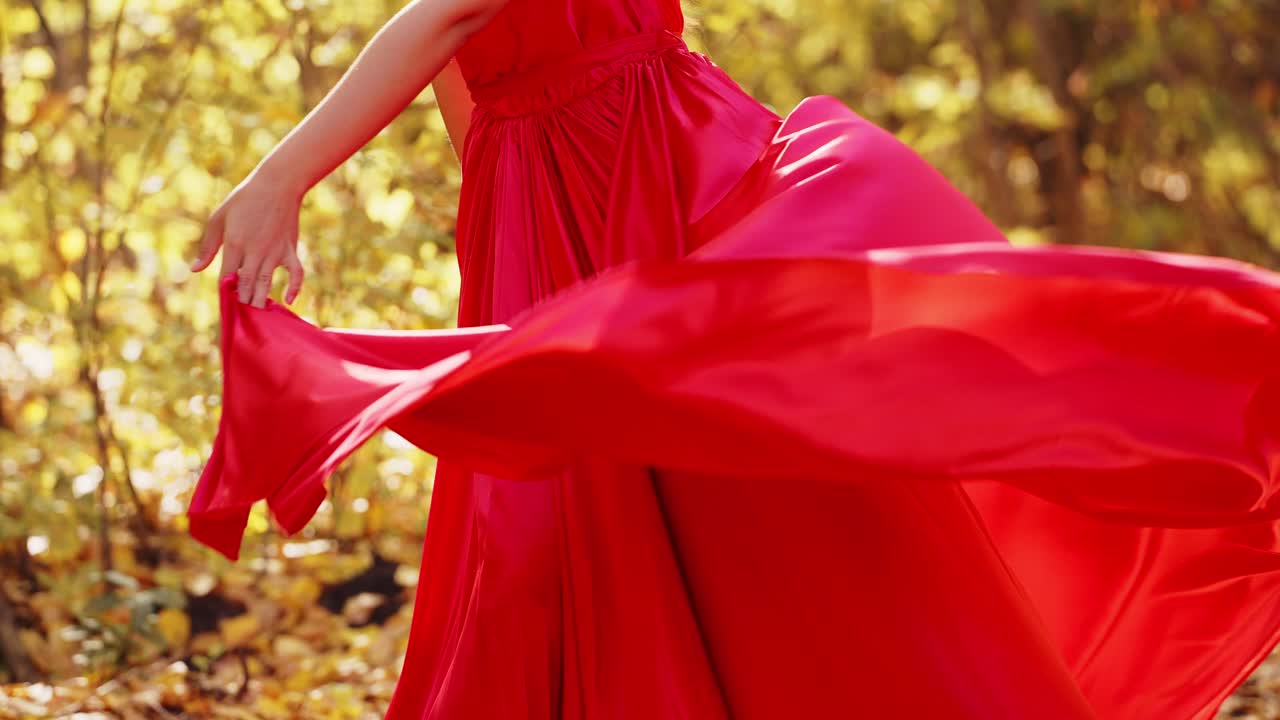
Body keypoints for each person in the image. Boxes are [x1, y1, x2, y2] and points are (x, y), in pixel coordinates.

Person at [186, 0, 1280, 718]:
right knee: (575, 527)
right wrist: (500, 200)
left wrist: (282, 178)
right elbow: (465, 56)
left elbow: (459, 9)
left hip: (636, 163)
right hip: (552, 181)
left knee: (738, 503)